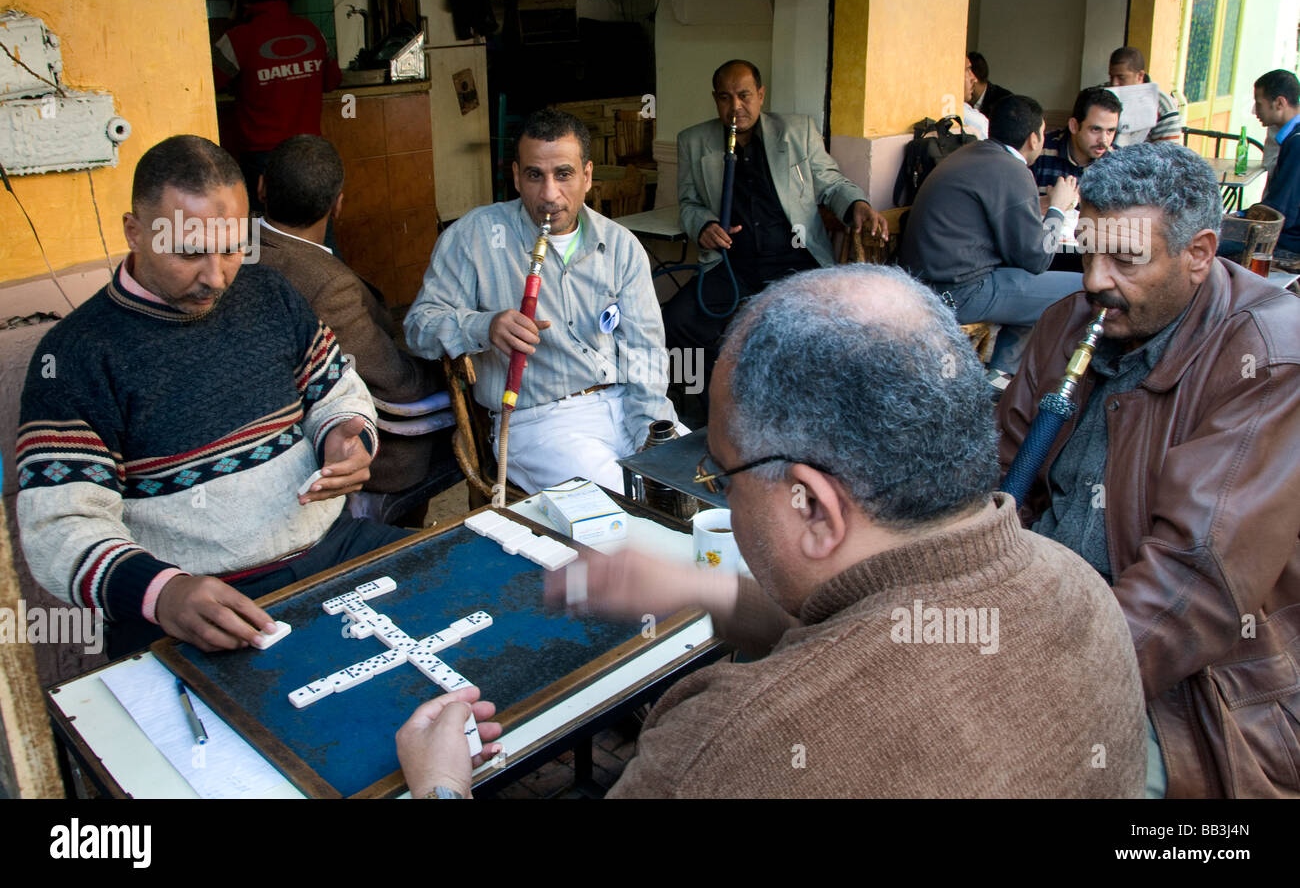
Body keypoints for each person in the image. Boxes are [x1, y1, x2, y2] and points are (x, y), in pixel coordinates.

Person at [396, 264, 1148, 798]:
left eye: (725, 476)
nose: (723, 491)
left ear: (812, 508)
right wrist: (707, 589)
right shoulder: (1079, 588)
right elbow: (867, 617)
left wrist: (438, 784)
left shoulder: (734, 741)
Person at [15, 136, 410, 659]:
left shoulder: (269, 294)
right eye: (189, 251)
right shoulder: (76, 356)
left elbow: (337, 388)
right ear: (135, 232)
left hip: (333, 548)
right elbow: (60, 525)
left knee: (475, 610)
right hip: (202, 605)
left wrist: (348, 434)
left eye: (230, 247)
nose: (217, 276)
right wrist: (162, 593)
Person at [997, 142, 1300, 798]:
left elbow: (1193, 581)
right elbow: (999, 486)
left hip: (1189, 689)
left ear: (1198, 253)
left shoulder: (1269, 356)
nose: (1094, 281)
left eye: (1126, 259)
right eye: (1087, 250)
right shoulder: (1070, 323)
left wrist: (1026, 687)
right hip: (1035, 621)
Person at [403, 109, 682, 494]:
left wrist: (649, 439)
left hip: (626, 404)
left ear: (587, 175)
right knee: (625, 506)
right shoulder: (475, 236)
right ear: (517, 177)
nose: (549, 195)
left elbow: (645, 353)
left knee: (696, 492)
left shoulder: (620, 246)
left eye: (563, 174)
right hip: (541, 421)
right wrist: (483, 326)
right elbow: (419, 328)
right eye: (535, 175)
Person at [666, 59, 887, 388]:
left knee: (802, 334)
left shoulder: (797, 132)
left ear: (761, 94)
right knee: (676, 321)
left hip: (794, 262)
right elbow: (689, 203)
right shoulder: (694, 141)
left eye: (744, 95)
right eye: (725, 98)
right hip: (732, 265)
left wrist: (857, 204)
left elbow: (832, 183)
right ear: (715, 99)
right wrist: (703, 226)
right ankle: (717, 404)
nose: (736, 107)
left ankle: (788, 414)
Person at [255, 135, 448, 510]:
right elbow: (392, 383)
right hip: (345, 449)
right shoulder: (329, 285)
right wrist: (449, 374)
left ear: (261, 187)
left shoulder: (234, 248)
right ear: (338, 205)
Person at [897, 95, 1082, 370]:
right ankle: (1020, 375)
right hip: (959, 294)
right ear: (1034, 138)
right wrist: (1058, 208)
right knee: (1081, 288)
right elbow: (1036, 259)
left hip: (926, 284)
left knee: (1028, 291)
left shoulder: (971, 153)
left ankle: (1002, 375)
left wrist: (1042, 207)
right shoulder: (1012, 170)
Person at [212, 0, 342, 207]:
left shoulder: (237, 39)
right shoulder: (312, 31)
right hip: (310, 153)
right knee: (317, 229)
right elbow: (333, 82)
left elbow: (206, 85)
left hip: (264, 159)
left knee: (269, 235)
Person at [1030, 86, 1121, 192]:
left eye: (1110, 131)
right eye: (1095, 129)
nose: (1104, 140)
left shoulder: (1119, 161)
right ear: (1074, 126)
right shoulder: (1039, 152)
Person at [1252, 69, 1300, 258]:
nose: (1255, 111)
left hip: (1291, 242)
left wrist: (1240, 218)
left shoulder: (1297, 142)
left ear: (1279, 103)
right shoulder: (1292, 139)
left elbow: (1279, 211)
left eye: (1259, 103)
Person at [1106, 47, 1183, 143]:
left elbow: (1168, 153)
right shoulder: (1103, 97)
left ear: (1140, 76)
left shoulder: (1163, 106)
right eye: (1111, 77)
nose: (1114, 83)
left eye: (1121, 77)